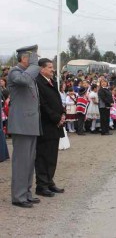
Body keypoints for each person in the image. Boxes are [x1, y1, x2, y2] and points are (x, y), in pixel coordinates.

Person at [7, 45, 41, 208]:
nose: (36, 61)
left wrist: (33, 66)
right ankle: (18, 196)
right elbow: (25, 80)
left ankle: (26, 193)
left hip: (30, 124)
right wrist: (35, 66)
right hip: (21, 125)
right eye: (33, 57)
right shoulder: (15, 72)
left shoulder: (29, 73)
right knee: (21, 162)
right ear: (25, 58)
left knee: (29, 161)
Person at [35, 58, 65, 197]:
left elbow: (57, 100)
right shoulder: (38, 83)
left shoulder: (51, 81)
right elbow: (43, 105)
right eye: (49, 67)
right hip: (46, 125)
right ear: (42, 69)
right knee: (43, 156)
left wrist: (62, 114)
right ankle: (41, 185)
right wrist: (56, 118)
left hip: (55, 125)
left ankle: (49, 181)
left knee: (52, 156)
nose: (52, 69)